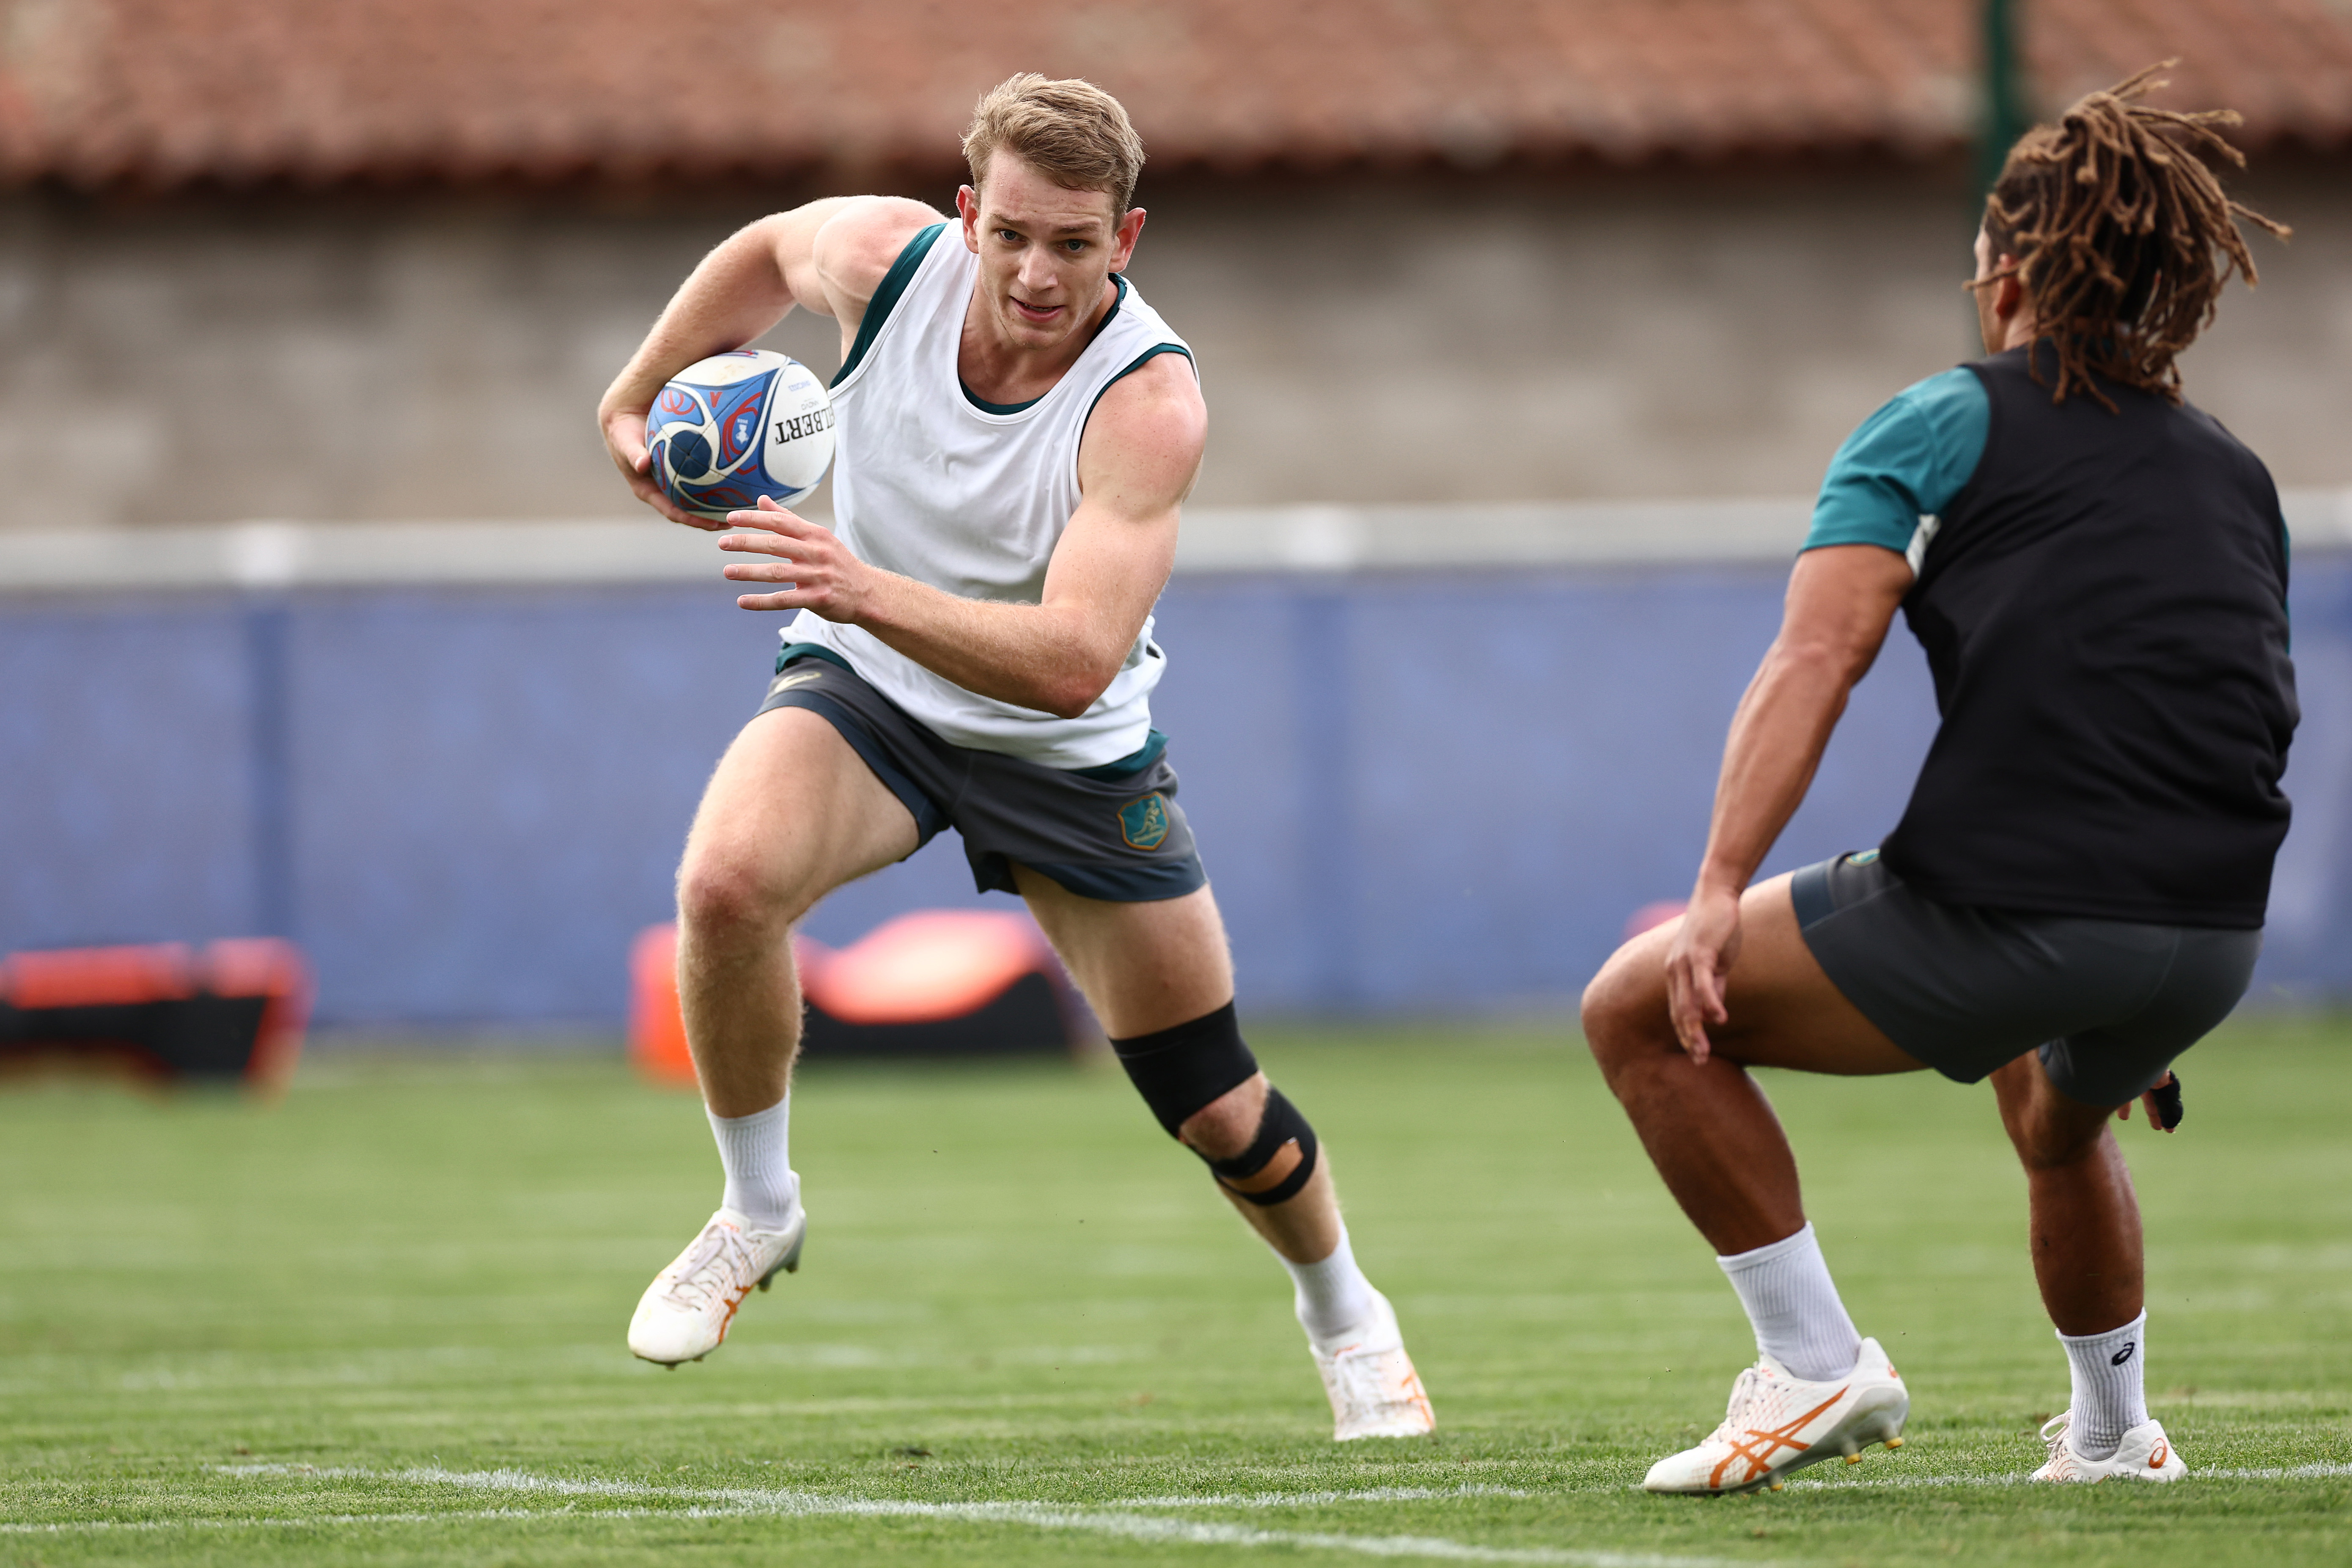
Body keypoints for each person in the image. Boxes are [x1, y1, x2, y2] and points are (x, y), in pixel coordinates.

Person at [593, 74, 1432, 1442]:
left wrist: (856, 584)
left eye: (1076, 244)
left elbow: (1073, 661)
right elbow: (764, 251)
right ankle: (756, 1210)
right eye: (1014, 235)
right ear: (968, 214)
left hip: (1069, 752)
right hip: (873, 697)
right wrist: (629, 404)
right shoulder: (884, 261)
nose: (1039, 273)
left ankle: (1347, 1313)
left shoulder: (1148, 403)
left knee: (1216, 1105)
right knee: (726, 886)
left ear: (1127, 239)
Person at [1579, 66, 2294, 1495]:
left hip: (2029, 905)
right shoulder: (2234, 470)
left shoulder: (1938, 421)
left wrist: (1717, 890)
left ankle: (1813, 1363)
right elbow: (2241, 698)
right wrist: (2148, 941)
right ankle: (2112, 1433)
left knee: (1637, 1010)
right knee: (2051, 1107)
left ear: (2010, 278)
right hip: (2215, 932)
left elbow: (1815, 659)